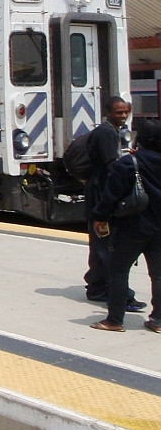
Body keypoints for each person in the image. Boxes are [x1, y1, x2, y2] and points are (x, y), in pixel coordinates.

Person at [89, 117, 161, 333]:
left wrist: (99, 217)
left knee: (118, 270)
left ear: (141, 138)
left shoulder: (129, 163)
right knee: (158, 275)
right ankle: (157, 320)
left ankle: (115, 320)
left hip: (132, 227)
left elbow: (111, 196)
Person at [83, 96, 145, 312]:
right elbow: (112, 167)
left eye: (126, 112)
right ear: (108, 112)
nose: (124, 116)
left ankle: (97, 287)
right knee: (108, 248)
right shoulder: (107, 133)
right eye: (119, 112)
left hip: (98, 195)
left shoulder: (110, 132)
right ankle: (122, 295)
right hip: (101, 196)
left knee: (100, 246)